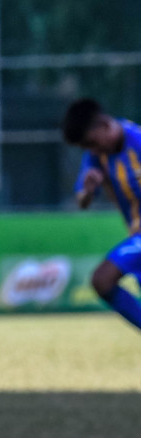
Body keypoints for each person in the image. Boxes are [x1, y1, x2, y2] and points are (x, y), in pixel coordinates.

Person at [63, 98, 141, 329]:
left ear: (104, 125)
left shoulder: (137, 140)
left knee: (102, 279)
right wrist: (88, 190)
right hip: (135, 235)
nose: (92, 151)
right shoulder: (98, 155)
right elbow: (82, 201)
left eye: (92, 143)